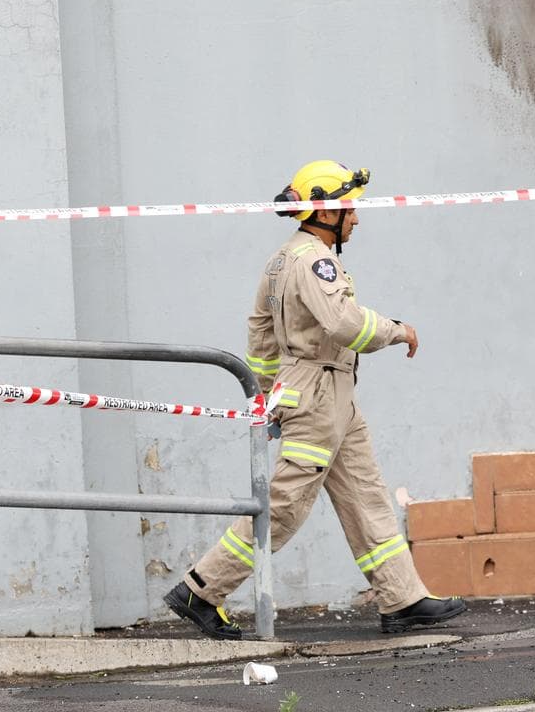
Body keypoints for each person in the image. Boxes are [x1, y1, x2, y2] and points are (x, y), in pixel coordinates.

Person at [164, 160, 466, 639]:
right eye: (350, 209)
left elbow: (261, 337)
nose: (357, 218)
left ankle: (402, 599)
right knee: (286, 505)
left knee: (366, 496)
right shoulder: (314, 262)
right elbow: (346, 325)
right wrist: (397, 330)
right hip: (320, 394)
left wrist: (270, 396)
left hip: (327, 394)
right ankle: (201, 590)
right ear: (325, 213)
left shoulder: (281, 260)